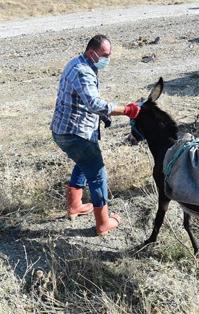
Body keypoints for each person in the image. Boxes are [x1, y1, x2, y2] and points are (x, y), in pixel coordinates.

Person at [51, 34, 141, 237]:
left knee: (83, 162)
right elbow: (94, 103)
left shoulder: (78, 62)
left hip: (65, 130)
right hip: (75, 133)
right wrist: (127, 110)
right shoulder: (83, 71)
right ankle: (103, 223)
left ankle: (75, 206)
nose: (108, 59)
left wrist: (104, 117)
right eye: (105, 55)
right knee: (98, 173)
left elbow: (85, 102)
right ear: (92, 53)